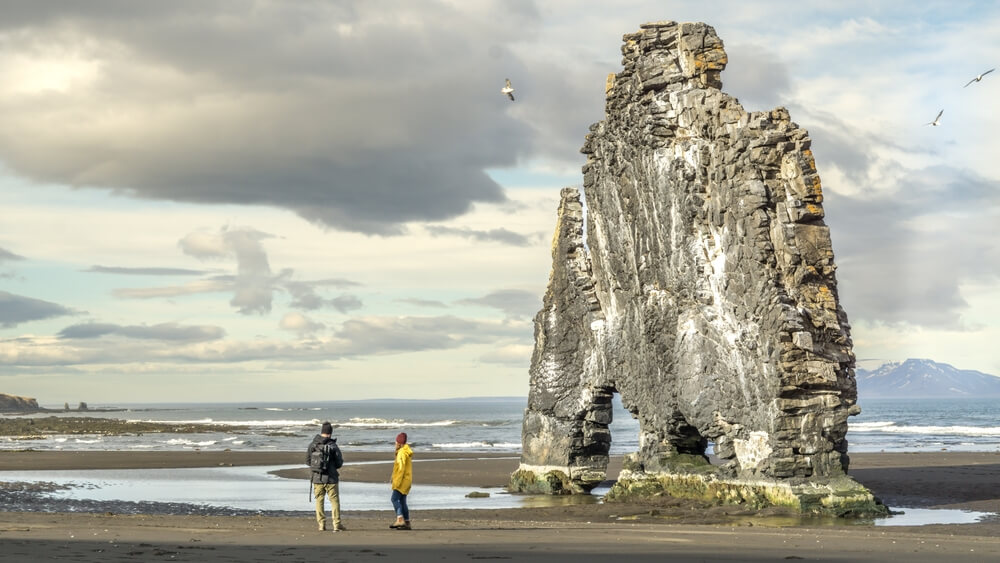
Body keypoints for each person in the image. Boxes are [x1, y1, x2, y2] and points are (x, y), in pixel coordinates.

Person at [307, 421, 345, 531]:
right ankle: (336, 524)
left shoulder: (313, 445)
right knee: (334, 501)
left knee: (319, 500)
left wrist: (317, 468)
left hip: (317, 477)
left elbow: (308, 460)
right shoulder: (333, 446)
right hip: (331, 478)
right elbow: (339, 463)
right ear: (330, 433)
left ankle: (321, 524)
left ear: (322, 432)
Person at [389, 431, 413, 530]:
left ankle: (400, 519)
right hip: (407, 480)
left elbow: (401, 469)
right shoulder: (405, 452)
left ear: (399, 443)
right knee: (403, 501)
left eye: (396, 442)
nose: (395, 444)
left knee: (394, 499)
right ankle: (407, 522)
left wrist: (396, 482)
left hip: (402, 481)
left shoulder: (402, 453)